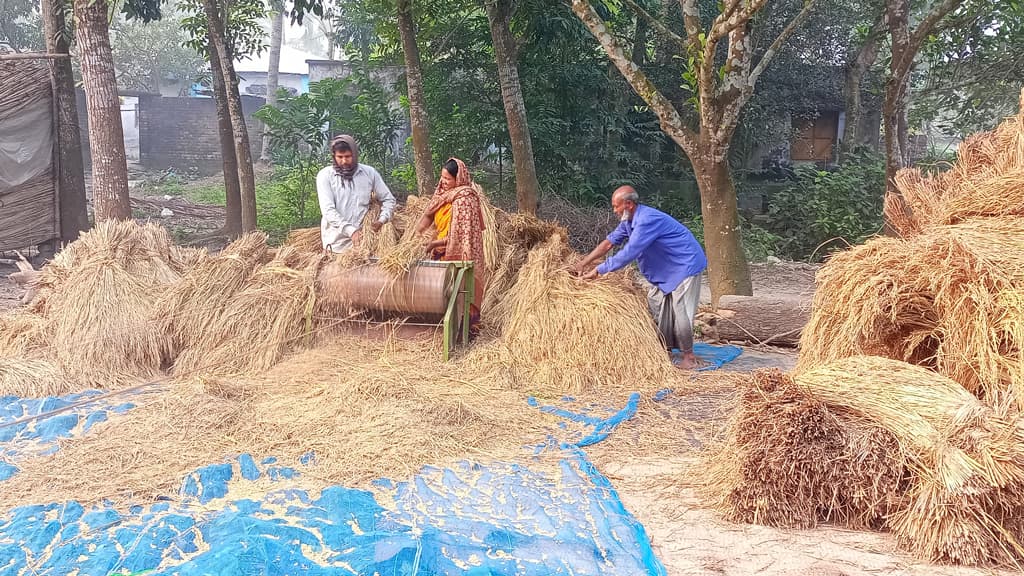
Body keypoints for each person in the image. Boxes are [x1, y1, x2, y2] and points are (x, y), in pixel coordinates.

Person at [574, 186, 708, 369]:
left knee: (680, 310)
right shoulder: (628, 221)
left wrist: (599, 270)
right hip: (666, 270)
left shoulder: (646, 220)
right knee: (656, 303)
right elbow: (608, 243)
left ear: (628, 204)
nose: (614, 211)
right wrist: (583, 262)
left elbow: (630, 252)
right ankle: (665, 349)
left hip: (684, 265)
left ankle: (689, 357)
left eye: (616, 206)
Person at [415, 157, 488, 331]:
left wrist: (433, 244)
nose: (443, 182)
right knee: (438, 294)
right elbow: (428, 215)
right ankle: (439, 326)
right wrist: (418, 233)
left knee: (460, 291)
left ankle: (465, 330)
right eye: (442, 177)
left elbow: (460, 237)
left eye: (447, 179)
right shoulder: (441, 195)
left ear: (458, 179)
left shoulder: (465, 199)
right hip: (439, 252)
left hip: (460, 254)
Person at [316, 135, 397, 253]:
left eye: (348, 156)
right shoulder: (325, 176)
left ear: (355, 154)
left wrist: (382, 220)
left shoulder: (369, 173)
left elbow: (389, 199)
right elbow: (328, 211)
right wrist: (351, 231)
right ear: (334, 156)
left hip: (365, 244)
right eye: (340, 157)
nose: (344, 161)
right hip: (335, 245)